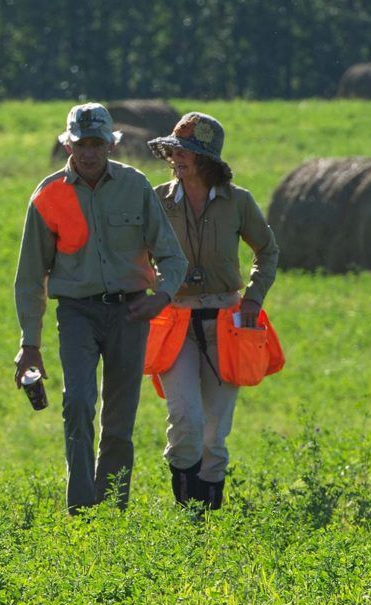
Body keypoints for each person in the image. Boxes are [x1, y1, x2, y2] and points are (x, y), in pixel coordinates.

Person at [14, 102, 187, 514]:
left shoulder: (136, 186)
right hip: (76, 312)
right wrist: (30, 344)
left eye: (96, 143)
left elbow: (172, 257)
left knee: (120, 419)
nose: (88, 152)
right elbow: (29, 278)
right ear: (68, 145)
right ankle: (82, 507)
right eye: (80, 143)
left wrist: (159, 299)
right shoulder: (48, 194)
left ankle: (112, 508)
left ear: (111, 144)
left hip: (131, 313)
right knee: (77, 402)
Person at [147, 113, 279, 510]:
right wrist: (149, 286)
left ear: (208, 159)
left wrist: (253, 299)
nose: (177, 157)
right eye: (174, 149)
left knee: (213, 434)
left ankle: (207, 526)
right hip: (175, 319)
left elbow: (267, 251)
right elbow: (135, 252)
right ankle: (188, 515)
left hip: (227, 322)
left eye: (187, 151)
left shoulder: (239, 201)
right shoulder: (157, 199)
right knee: (185, 421)